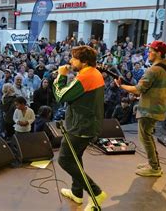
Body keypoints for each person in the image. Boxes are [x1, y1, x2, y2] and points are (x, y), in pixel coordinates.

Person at [116, 41, 166, 176]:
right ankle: (153, 162)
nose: (148, 53)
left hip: (149, 109)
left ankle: (154, 167)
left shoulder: (153, 70)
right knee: (148, 135)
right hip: (160, 106)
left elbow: (137, 90)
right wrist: (165, 89)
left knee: (145, 137)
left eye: (151, 50)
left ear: (159, 53)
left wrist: (121, 86)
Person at [53, 45, 107, 210]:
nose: (70, 61)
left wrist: (61, 77)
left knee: (64, 159)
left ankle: (96, 193)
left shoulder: (86, 77)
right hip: (87, 124)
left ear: (83, 61)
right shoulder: (93, 73)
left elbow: (60, 96)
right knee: (76, 158)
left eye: (73, 58)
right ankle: (77, 193)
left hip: (80, 127)